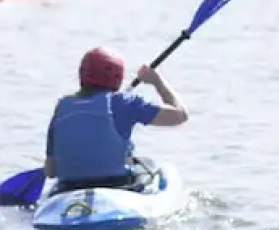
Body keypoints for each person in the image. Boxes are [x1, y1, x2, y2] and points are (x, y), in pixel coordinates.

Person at [43, 47, 188, 193]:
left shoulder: (62, 107)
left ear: (82, 74)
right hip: (116, 186)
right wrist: (156, 81)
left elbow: (51, 170)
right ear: (118, 77)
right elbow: (180, 115)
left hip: (69, 189)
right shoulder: (125, 102)